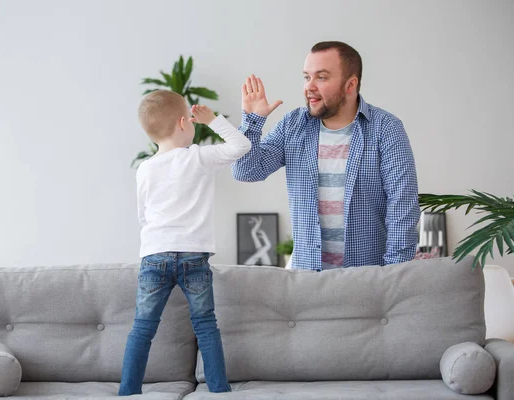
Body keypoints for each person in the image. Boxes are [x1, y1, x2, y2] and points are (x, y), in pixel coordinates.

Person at [232, 41, 420, 271]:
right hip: (307, 280)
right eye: (306, 77)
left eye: (321, 77)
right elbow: (246, 172)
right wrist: (252, 123)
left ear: (350, 84)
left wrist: (393, 275)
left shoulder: (386, 129)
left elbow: (402, 207)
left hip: (368, 280)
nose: (309, 87)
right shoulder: (292, 126)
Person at [119, 90, 251, 395]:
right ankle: (218, 390)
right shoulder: (200, 157)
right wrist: (213, 120)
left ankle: (128, 392)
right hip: (194, 257)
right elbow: (241, 145)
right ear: (184, 122)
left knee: (142, 328)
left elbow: (143, 216)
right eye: (191, 121)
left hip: (155, 255)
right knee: (205, 325)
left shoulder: (145, 169)